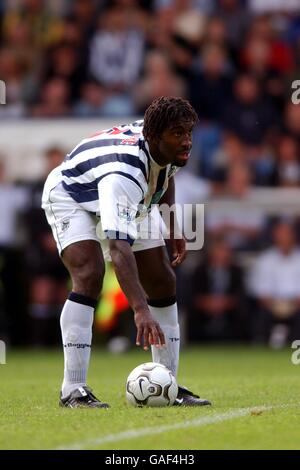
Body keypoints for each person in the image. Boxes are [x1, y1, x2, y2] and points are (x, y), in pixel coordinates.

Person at [42, 96, 211, 408]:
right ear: (154, 137)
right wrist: (139, 310)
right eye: (178, 134)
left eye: (189, 132)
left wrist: (171, 225)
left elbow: (165, 174)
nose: (187, 141)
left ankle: (167, 384)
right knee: (90, 274)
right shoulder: (125, 174)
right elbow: (119, 249)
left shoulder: (165, 145)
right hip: (72, 195)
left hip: (128, 192)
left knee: (162, 280)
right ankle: (73, 389)